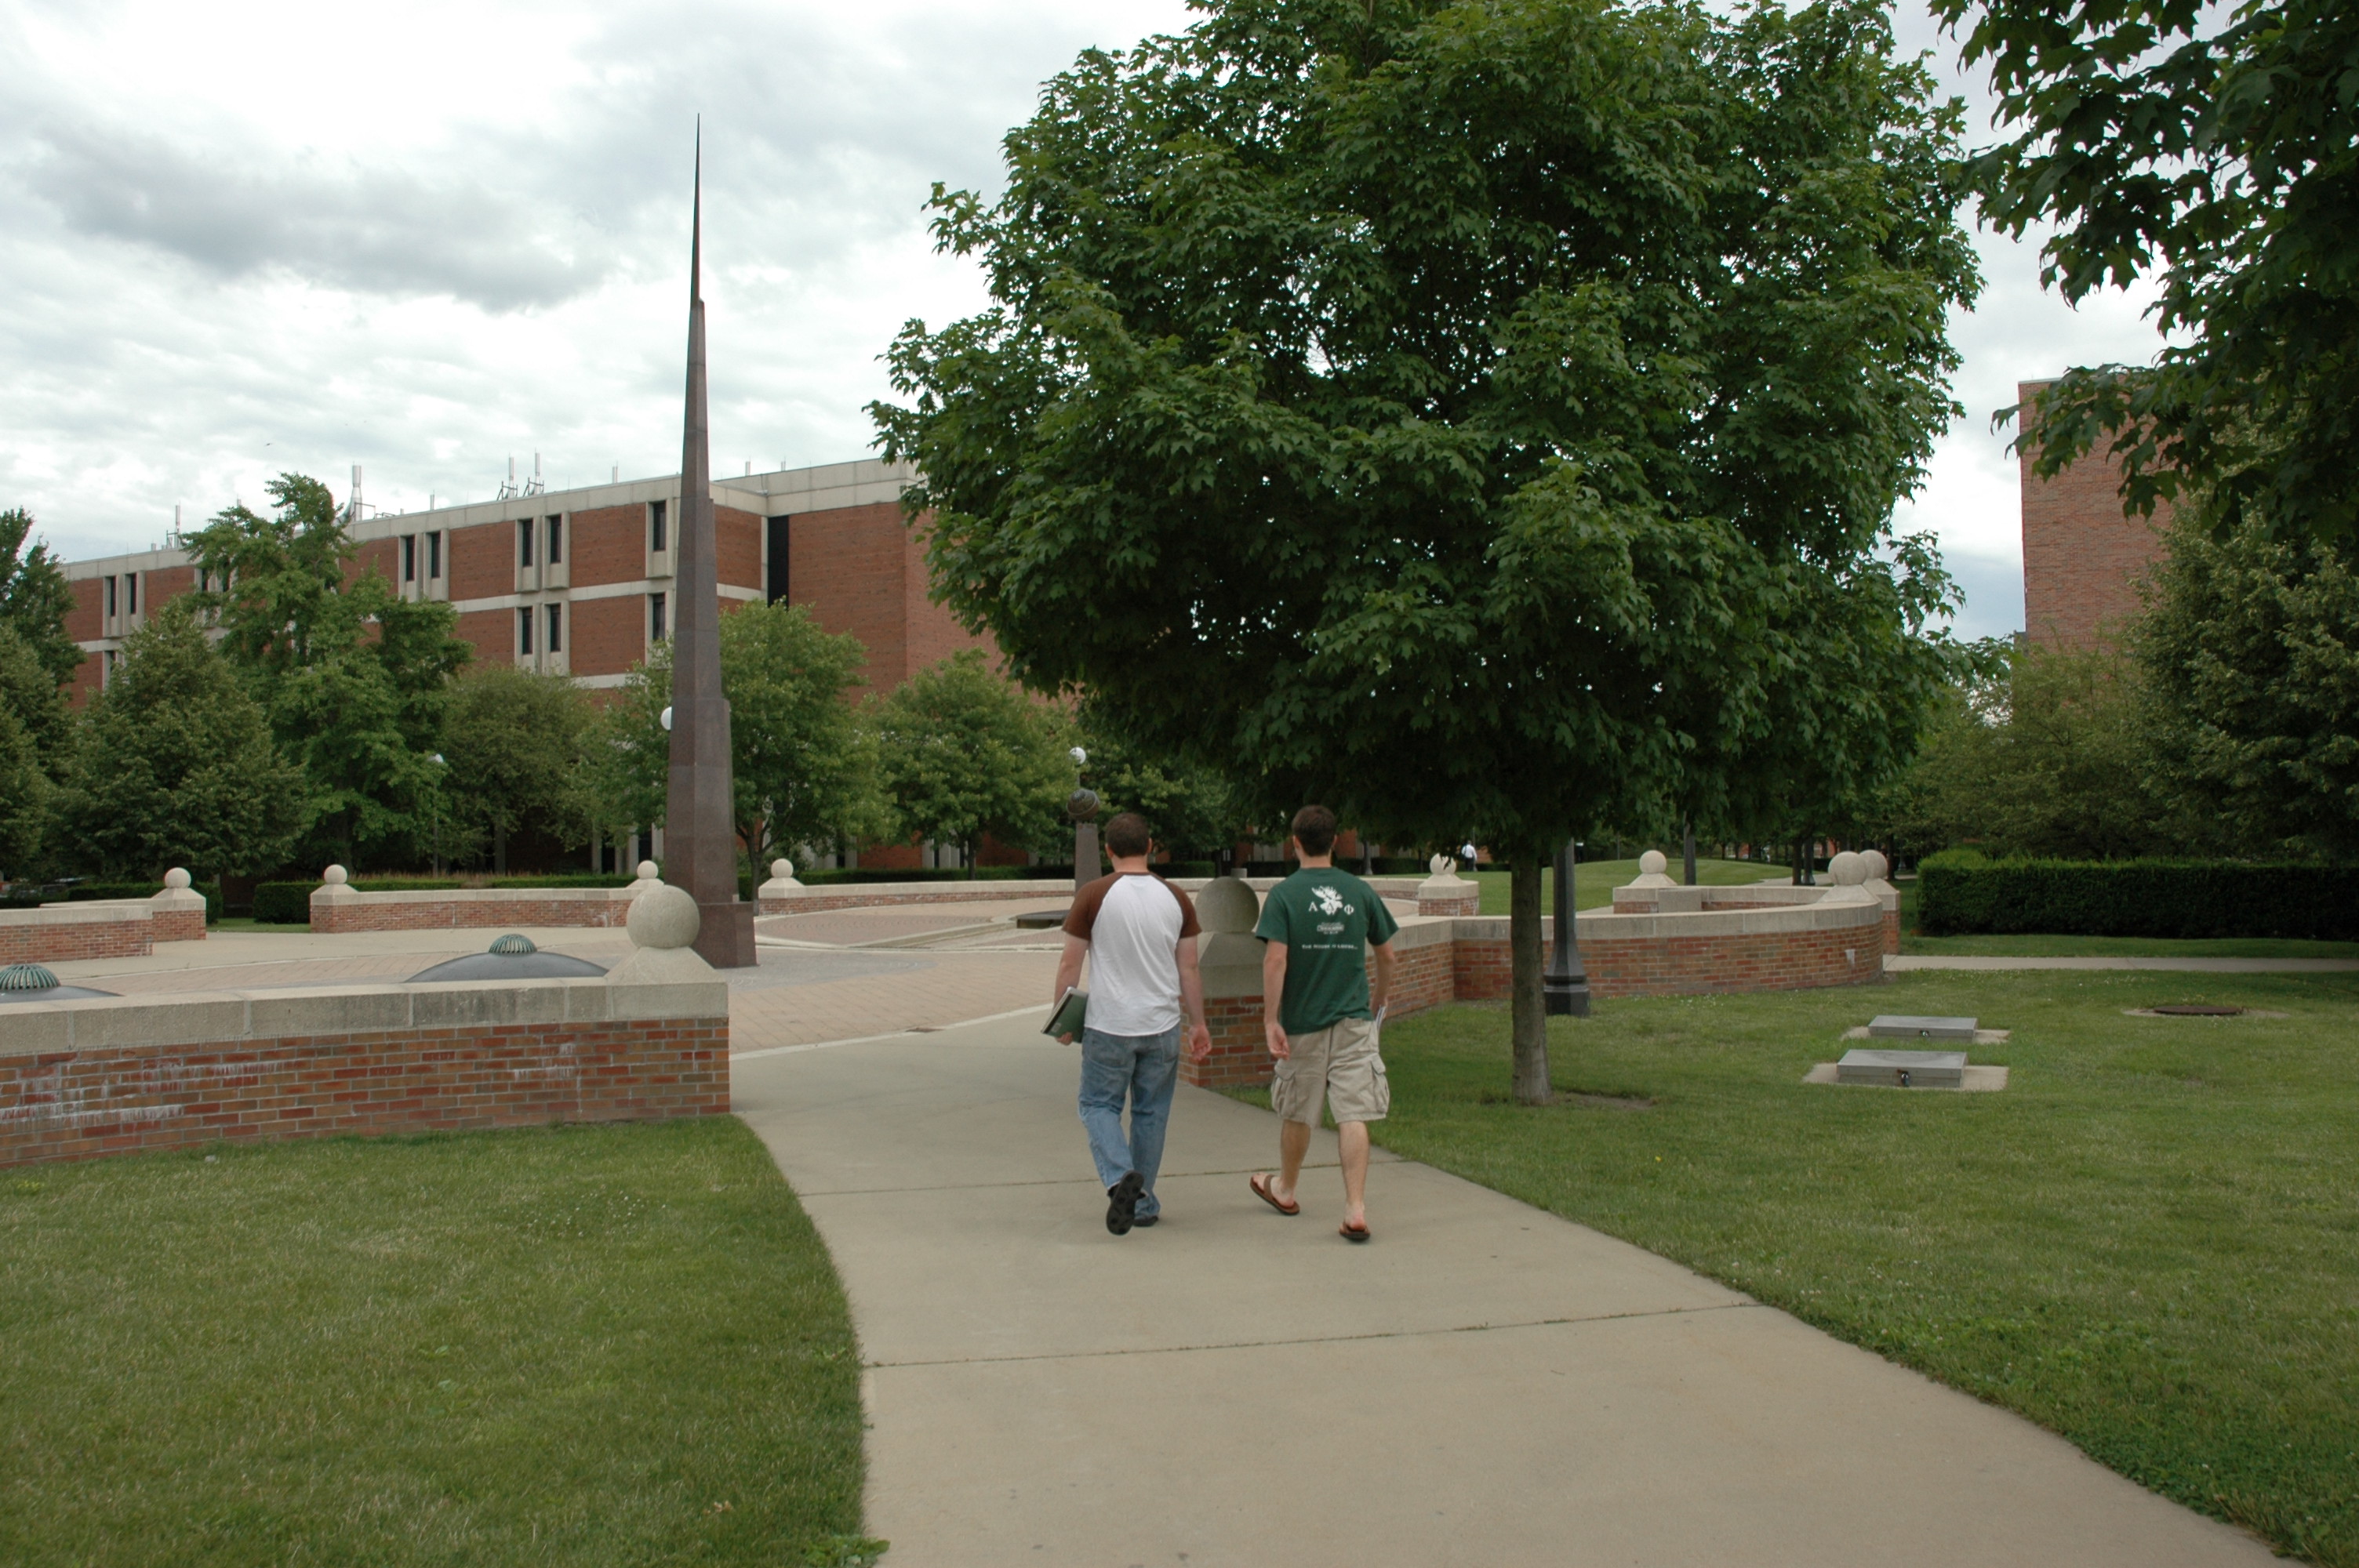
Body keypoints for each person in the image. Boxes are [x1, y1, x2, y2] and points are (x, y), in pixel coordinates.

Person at [1053, 812, 1213, 1235]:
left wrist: (1061, 1019)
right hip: (1161, 1026)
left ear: (1108, 850)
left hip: (1109, 1025)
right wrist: (1198, 1023)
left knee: (1097, 1105)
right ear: (1150, 847)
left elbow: (1070, 963)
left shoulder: (1093, 895)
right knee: (1151, 1113)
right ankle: (1142, 1203)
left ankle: (1121, 1177)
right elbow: (1189, 968)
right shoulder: (1176, 898)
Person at [1249, 804, 1399, 1242]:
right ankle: (1355, 1209)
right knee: (1353, 1112)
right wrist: (1379, 999)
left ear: (1295, 843)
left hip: (1302, 1022)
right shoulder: (1358, 891)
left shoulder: (1284, 896)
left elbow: (1275, 960)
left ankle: (1285, 1188)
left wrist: (1270, 1019)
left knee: (1299, 1108)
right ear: (1334, 842)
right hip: (1354, 1021)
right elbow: (1388, 955)